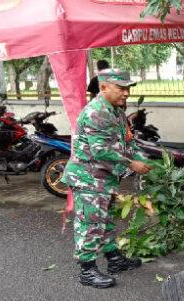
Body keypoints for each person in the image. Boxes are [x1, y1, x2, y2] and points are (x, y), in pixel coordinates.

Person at [62, 68, 151, 289]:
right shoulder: (96, 112)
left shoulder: (116, 110)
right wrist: (131, 164)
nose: (126, 93)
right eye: (121, 88)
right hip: (88, 178)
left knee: (107, 220)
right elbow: (100, 150)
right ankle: (87, 270)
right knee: (90, 223)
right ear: (103, 87)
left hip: (105, 178)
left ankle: (114, 260)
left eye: (128, 88)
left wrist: (141, 158)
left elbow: (127, 141)